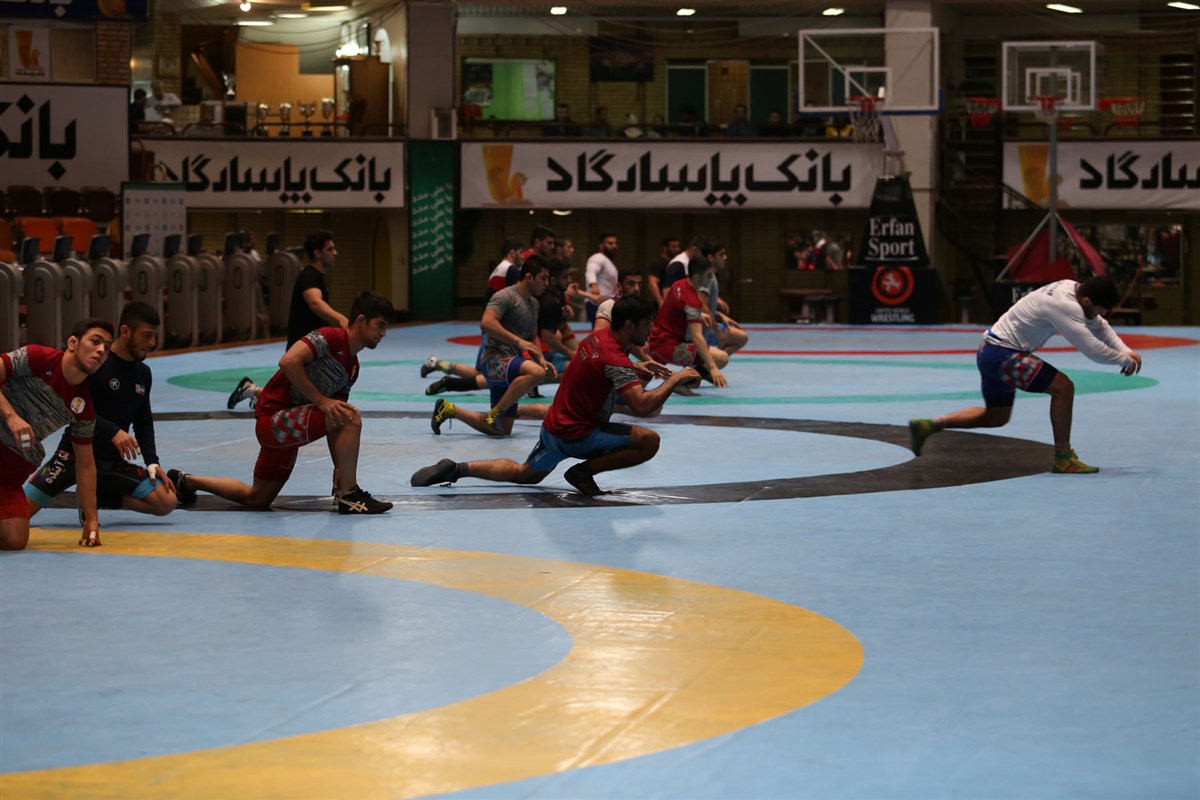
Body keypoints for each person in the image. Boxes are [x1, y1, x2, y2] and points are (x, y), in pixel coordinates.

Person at [412, 296, 694, 497]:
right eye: (647, 324)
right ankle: (582, 472)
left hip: (554, 429)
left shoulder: (596, 339)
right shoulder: (616, 360)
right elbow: (642, 407)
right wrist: (675, 379)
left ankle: (457, 468)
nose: (651, 329)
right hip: (579, 435)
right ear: (630, 326)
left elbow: (604, 365)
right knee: (649, 440)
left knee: (525, 474)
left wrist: (635, 366)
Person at [171, 292, 395, 514]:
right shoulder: (330, 337)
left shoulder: (352, 368)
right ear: (361, 321)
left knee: (258, 498)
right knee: (350, 416)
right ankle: (350, 495)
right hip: (273, 421)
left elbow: (334, 419)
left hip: (286, 429)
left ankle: (186, 481)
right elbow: (288, 361)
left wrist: (339, 466)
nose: (383, 334)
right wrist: (320, 400)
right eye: (380, 325)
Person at [909, 276, 1143, 474]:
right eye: (1102, 309)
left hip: (989, 351)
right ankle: (1063, 458)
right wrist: (1123, 360)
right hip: (1004, 356)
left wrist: (1125, 351)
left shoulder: (1071, 287)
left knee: (996, 417)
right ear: (1087, 301)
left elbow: (1099, 325)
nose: (1102, 314)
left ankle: (930, 425)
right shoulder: (1065, 306)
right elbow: (1091, 349)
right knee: (1063, 387)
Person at [26, 303, 178, 523]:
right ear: (125, 331)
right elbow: (73, 408)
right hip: (72, 456)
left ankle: (98, 495)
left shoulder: (143, 373)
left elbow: (143, 420)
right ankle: (87, 492)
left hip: (111, 463)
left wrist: (152, 462)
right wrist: (112, 431)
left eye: (154, 336)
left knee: (166, 501)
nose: (152, 343)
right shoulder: (95, 364)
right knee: (17, 515)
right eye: (147, 335)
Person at [1, 318, 114, 550]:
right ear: (72, 343)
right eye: (95, 341)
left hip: (8, 473)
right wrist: (11, 416)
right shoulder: (37, 357)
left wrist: (91, 519)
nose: (101, 350)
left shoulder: (84, 408)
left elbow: (85, 464)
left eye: (107, 347)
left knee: (15, 540)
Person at [430, 258, 554, 438]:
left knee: (502, 430)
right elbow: (487, 323)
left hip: (510, 368)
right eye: (543, 278)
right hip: (494, 361)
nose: (546, 283)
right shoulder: (505, 296)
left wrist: (541, 359)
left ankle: (449, 409)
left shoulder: (534, 304)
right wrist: (518, 342)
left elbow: (532, 336)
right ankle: (495, 413)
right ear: (529, 277)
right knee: (536, 373)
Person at [228, 229, 347, 409]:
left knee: (299, 395)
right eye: (330, 249)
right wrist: (340, 319)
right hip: (303, 347)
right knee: (295, 396)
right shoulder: (310, 276)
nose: (335, 253)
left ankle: (251, 390)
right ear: (317, 253)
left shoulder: (316, 276)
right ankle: (251, 390)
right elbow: (315, 303)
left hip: (312, 346)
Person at [647, 255, 731, 388]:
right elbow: (696, 337)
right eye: (708, 276)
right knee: (722, 358)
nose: (711, 279)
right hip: (669, 348)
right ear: (697, 278)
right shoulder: (692, 300)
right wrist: (713, 368)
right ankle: (683, 381)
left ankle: (684, 381)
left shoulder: (678, 284)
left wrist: (699, 315)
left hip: (656, 341)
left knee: (632, 390)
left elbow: (678, 308)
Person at [579, 232, 620, 323]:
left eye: (615, 243)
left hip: (606, 304)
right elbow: (591, 271)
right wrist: (593, 285)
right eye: (610, 243)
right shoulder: (598, 258)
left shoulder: (609, 263)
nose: (614, 246)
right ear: (601, 246)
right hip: (597, 304)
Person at [646, 236, 681, 310]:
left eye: (678, 247)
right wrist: (661, 302)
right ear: (665, 248)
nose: (677, 249)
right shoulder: (658, 264)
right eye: (674, 247)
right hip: (661, 306)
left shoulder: (675, 264)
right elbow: (652, 284)